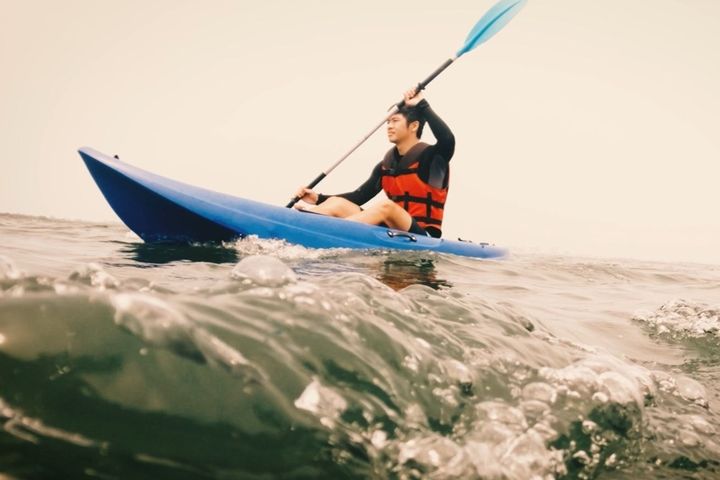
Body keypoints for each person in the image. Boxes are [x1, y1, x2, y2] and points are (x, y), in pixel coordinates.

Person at [294, 88, 454, 238]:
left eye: (395, 121)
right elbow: (359, 196)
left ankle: (329, 231)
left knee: (386, 206)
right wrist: (317, 198)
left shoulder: (433, 158)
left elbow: (447, 139)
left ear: (413, 126)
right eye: (388, 122)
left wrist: (422, 104)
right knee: (338, 203)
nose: (389, 126)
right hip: (392, 231)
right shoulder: (386, 166)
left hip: (422, 236)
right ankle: (304, 224)